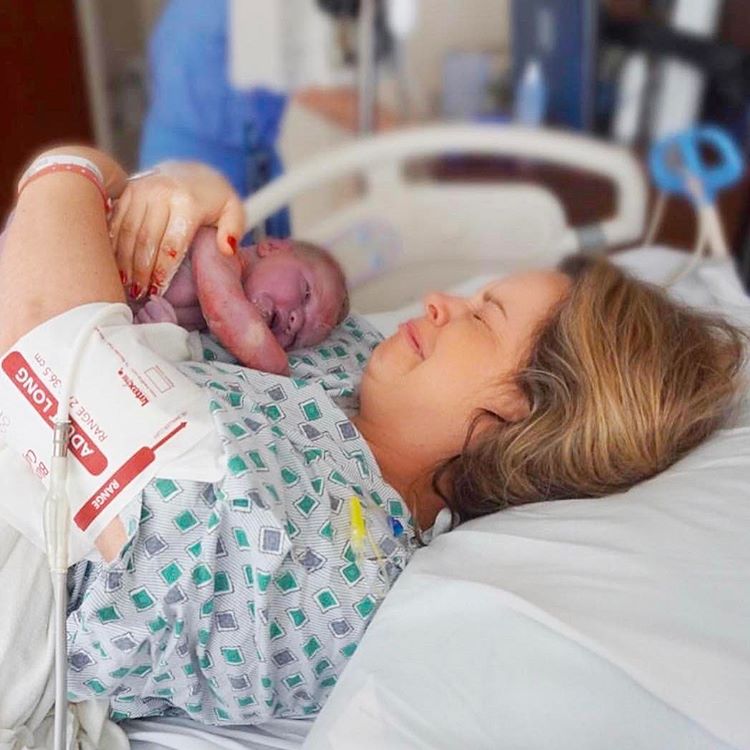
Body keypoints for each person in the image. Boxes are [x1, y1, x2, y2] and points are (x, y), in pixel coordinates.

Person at [0, 145, 746, 724]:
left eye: (482, 316)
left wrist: (73, 172)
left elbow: (48, 358)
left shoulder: (317, 557)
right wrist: (172, 200)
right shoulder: (348, 361)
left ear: (524, 420)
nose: (439, 300)